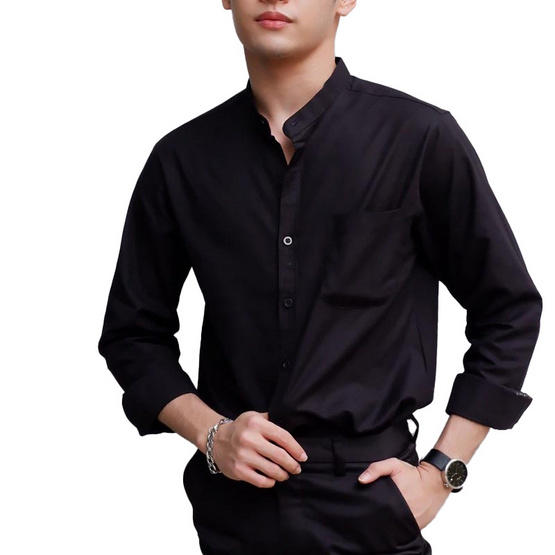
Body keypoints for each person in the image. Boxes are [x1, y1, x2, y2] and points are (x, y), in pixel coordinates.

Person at [97, 1, 543, 553]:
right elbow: (133, 334)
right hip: (233, 510)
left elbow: (508, 308)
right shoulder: (182, 158)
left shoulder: (419, 138)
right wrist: (212, 434)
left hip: (372, 500)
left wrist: (443, 471)